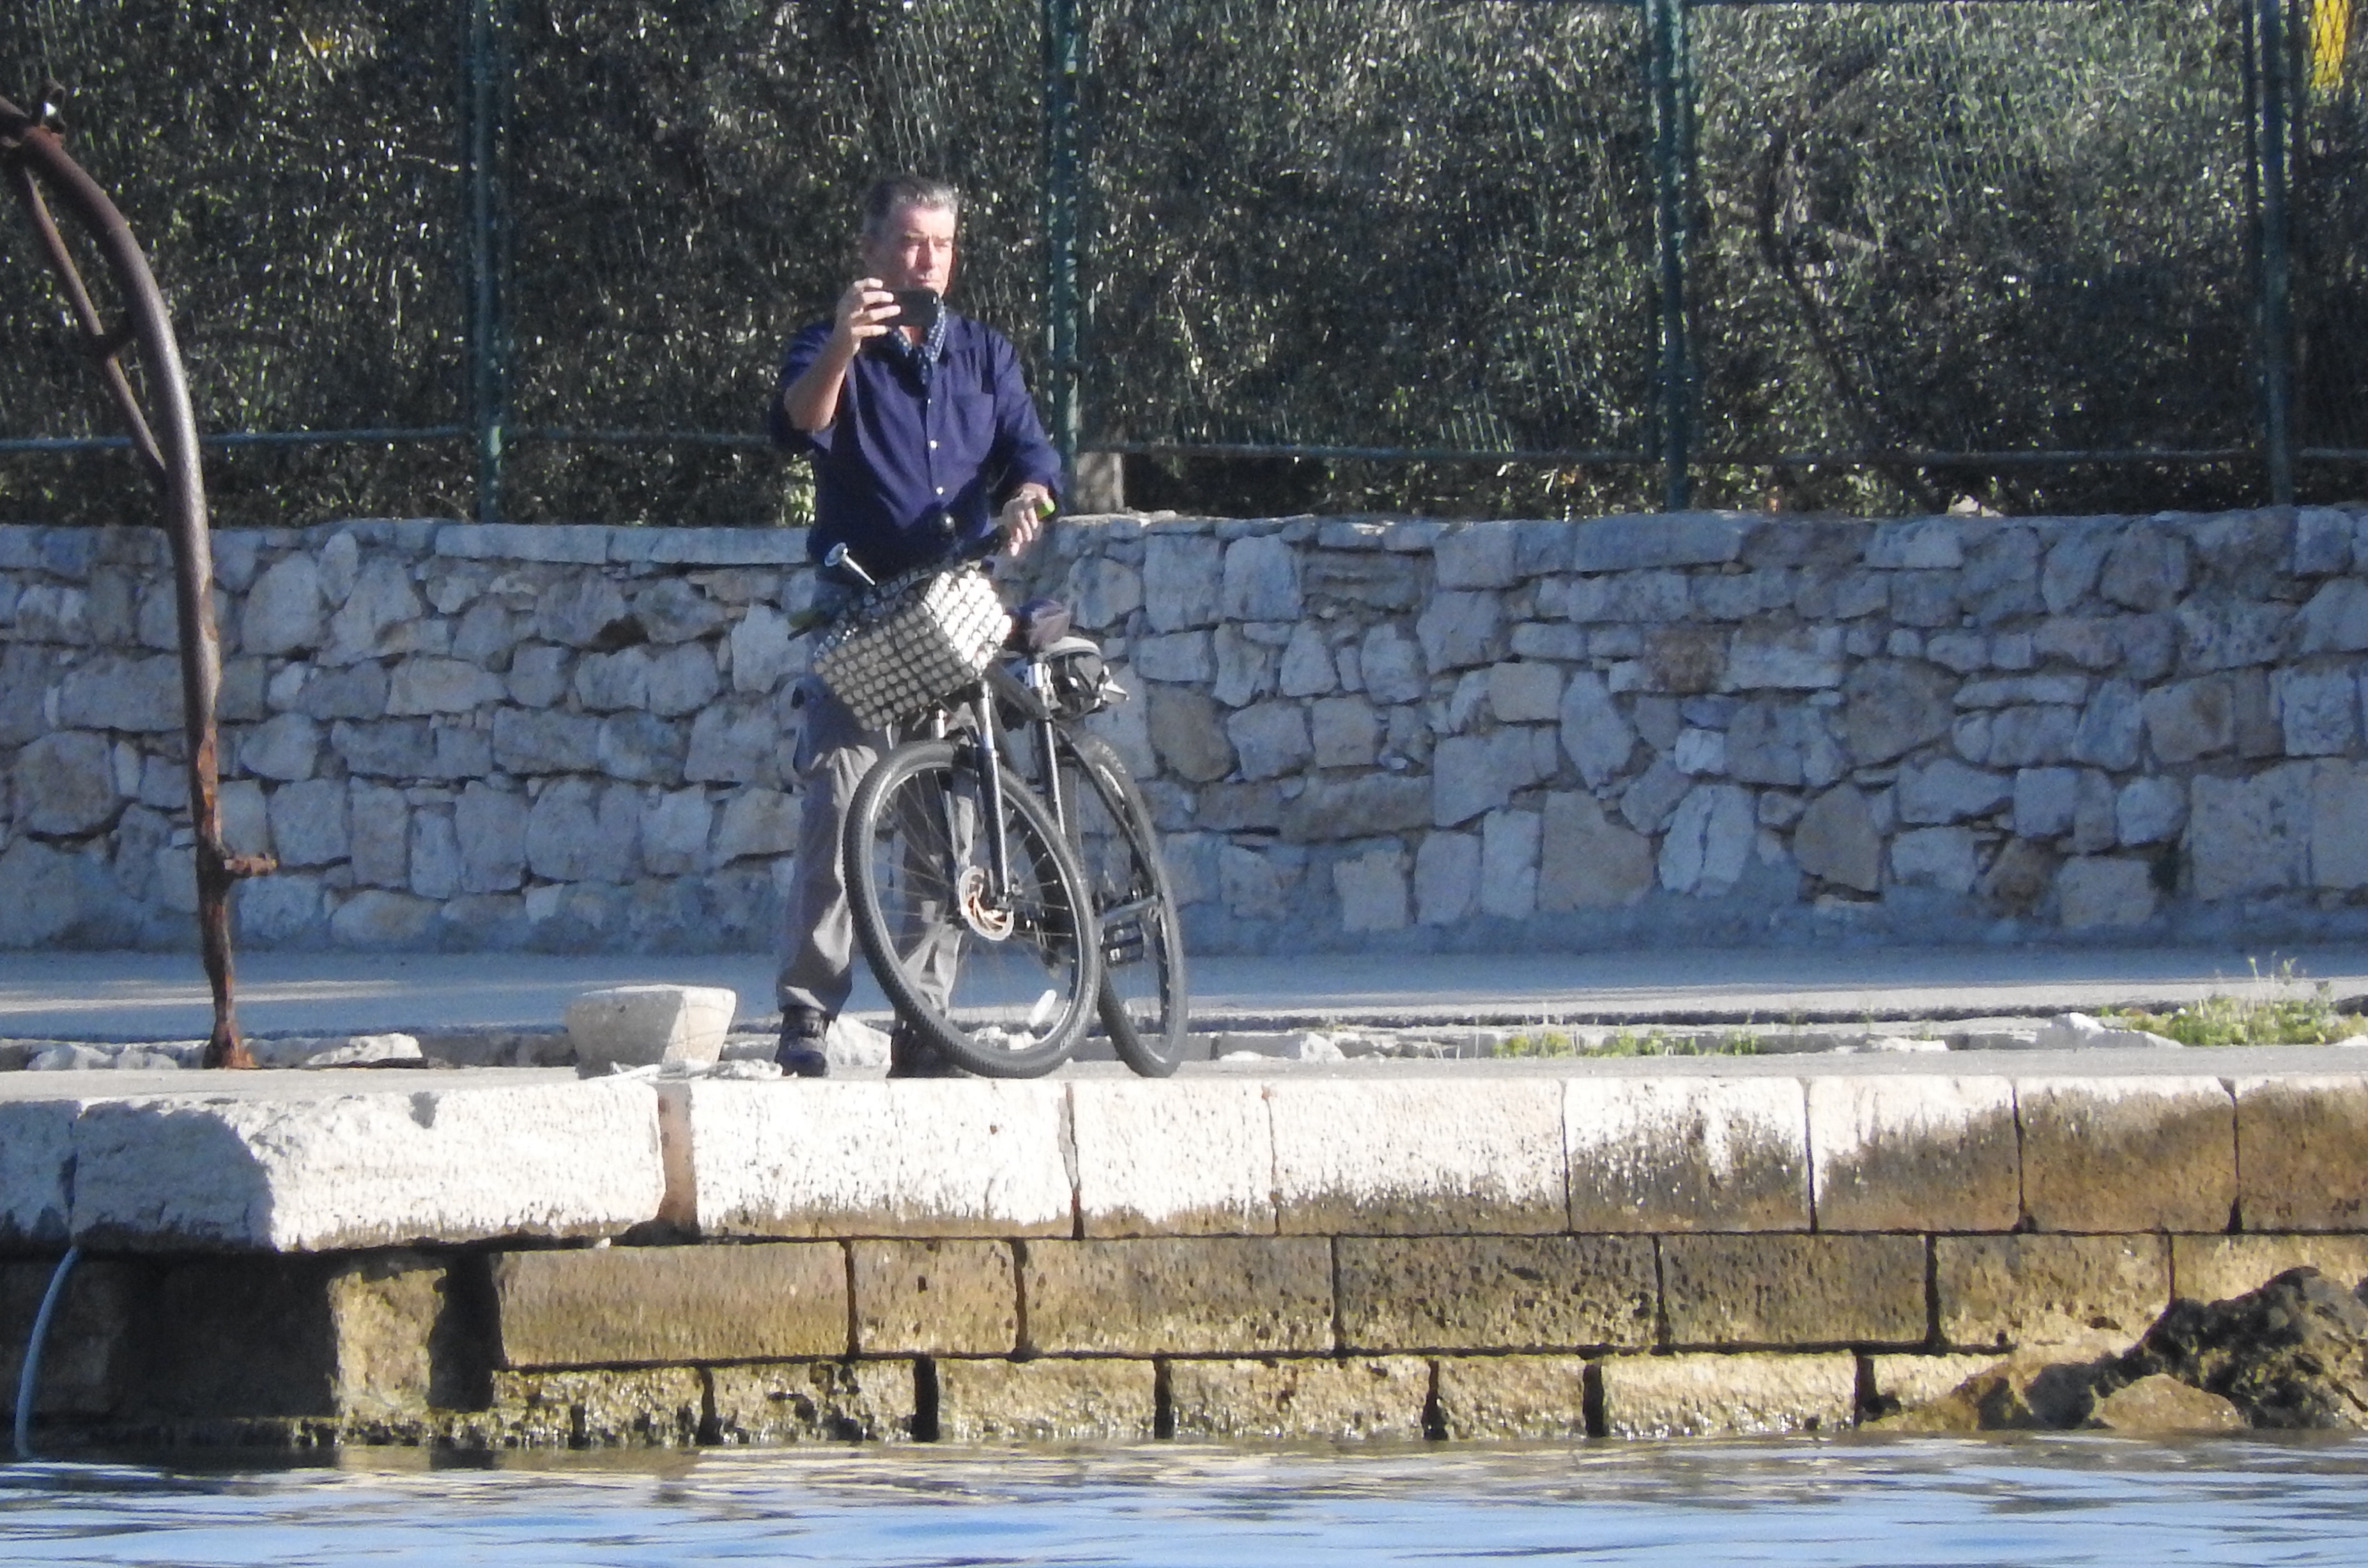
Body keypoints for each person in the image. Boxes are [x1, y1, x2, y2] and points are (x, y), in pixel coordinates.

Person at [767, 174, 1062, 1078]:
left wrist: (1027, 501)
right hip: (860, 609)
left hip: (952, 611)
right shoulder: (829, 345)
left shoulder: (983, 354)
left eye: (938, 243)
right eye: (905, 241)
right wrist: (843, 351)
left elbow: (1032, 456)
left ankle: (926, 1021)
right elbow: (798, 424)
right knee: (838, 800)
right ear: (870, 250)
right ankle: (808, 1017)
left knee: (950, 818)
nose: (923, 258)